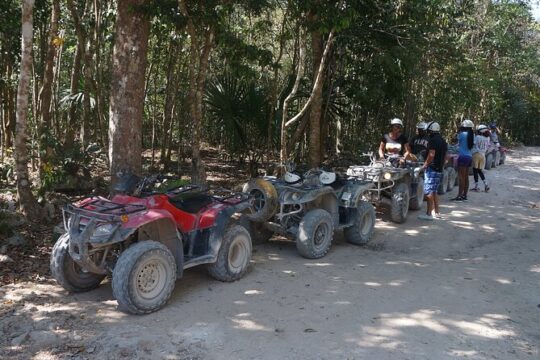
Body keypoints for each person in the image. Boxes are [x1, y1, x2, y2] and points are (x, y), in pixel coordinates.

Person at [418, 121, 447, 220]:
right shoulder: (443, 141)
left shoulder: (433, 140)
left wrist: (425, 165)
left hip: (432, 168)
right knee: (434, 191)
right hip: (439, 168)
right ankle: (436, 212)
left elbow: (431, 154)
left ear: (430, 130)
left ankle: (429, 214)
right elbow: (445, 156)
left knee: (429, 191)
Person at [451, 119, 474, 201]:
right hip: (469, 157)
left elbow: (457, 142)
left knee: (461, 177)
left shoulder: (461, 134)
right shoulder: (472, 135)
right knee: (466, 177)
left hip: (462, 157)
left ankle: (459, 195)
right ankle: (465, 195)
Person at [471, 124, 491, 192]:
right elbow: (488, 147)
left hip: (476, 154)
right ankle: (486, 184)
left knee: (475, 171)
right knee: (480, 171)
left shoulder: (477, 137)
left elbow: (473, 143)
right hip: (483, 155)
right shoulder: (488, 138)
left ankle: (476, 186)